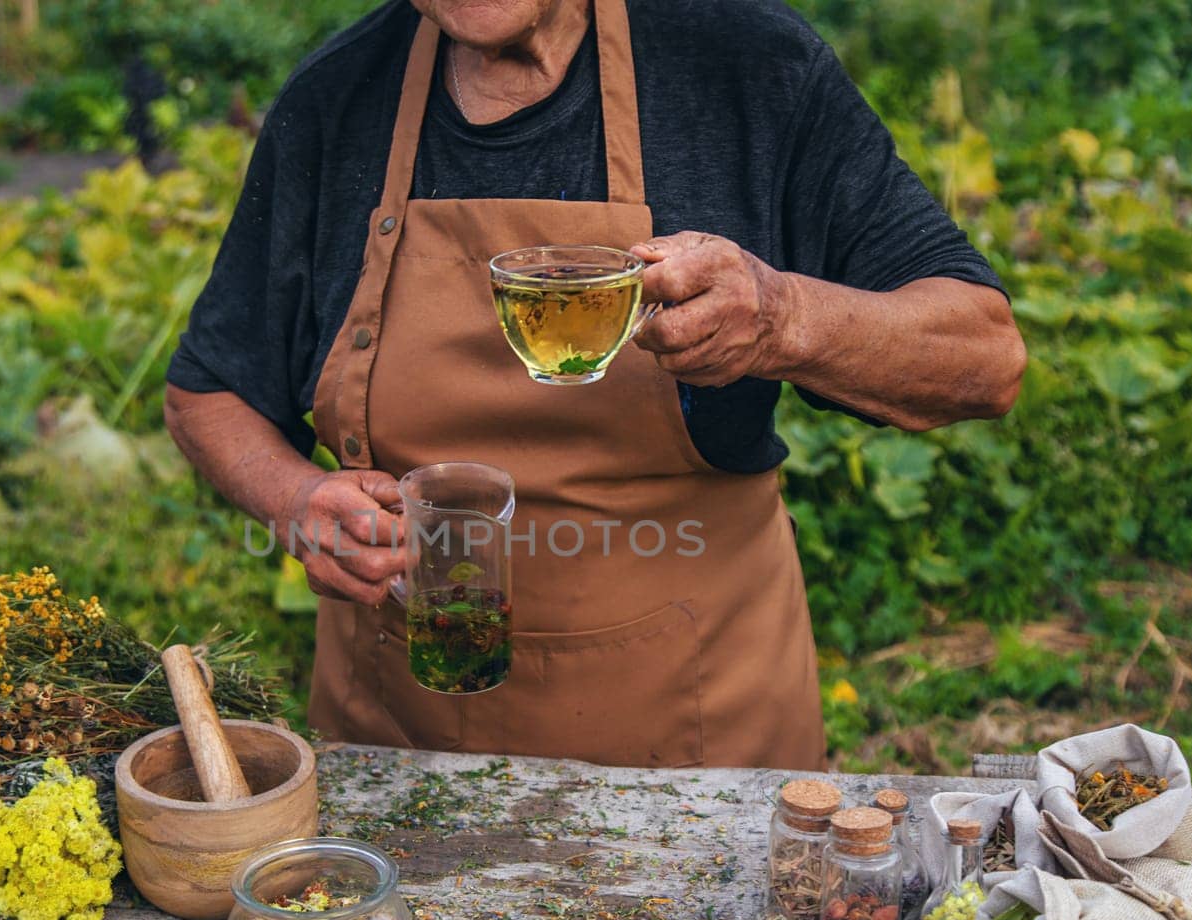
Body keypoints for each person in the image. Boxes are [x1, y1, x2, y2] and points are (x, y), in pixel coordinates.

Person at [164, 0, 1027, 771]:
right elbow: (208, 389)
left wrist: (781, 315)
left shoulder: (747, 67)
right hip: (402, 757)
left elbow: (984, 355)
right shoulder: (336, 100)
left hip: (696, 751)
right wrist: (297, 499)